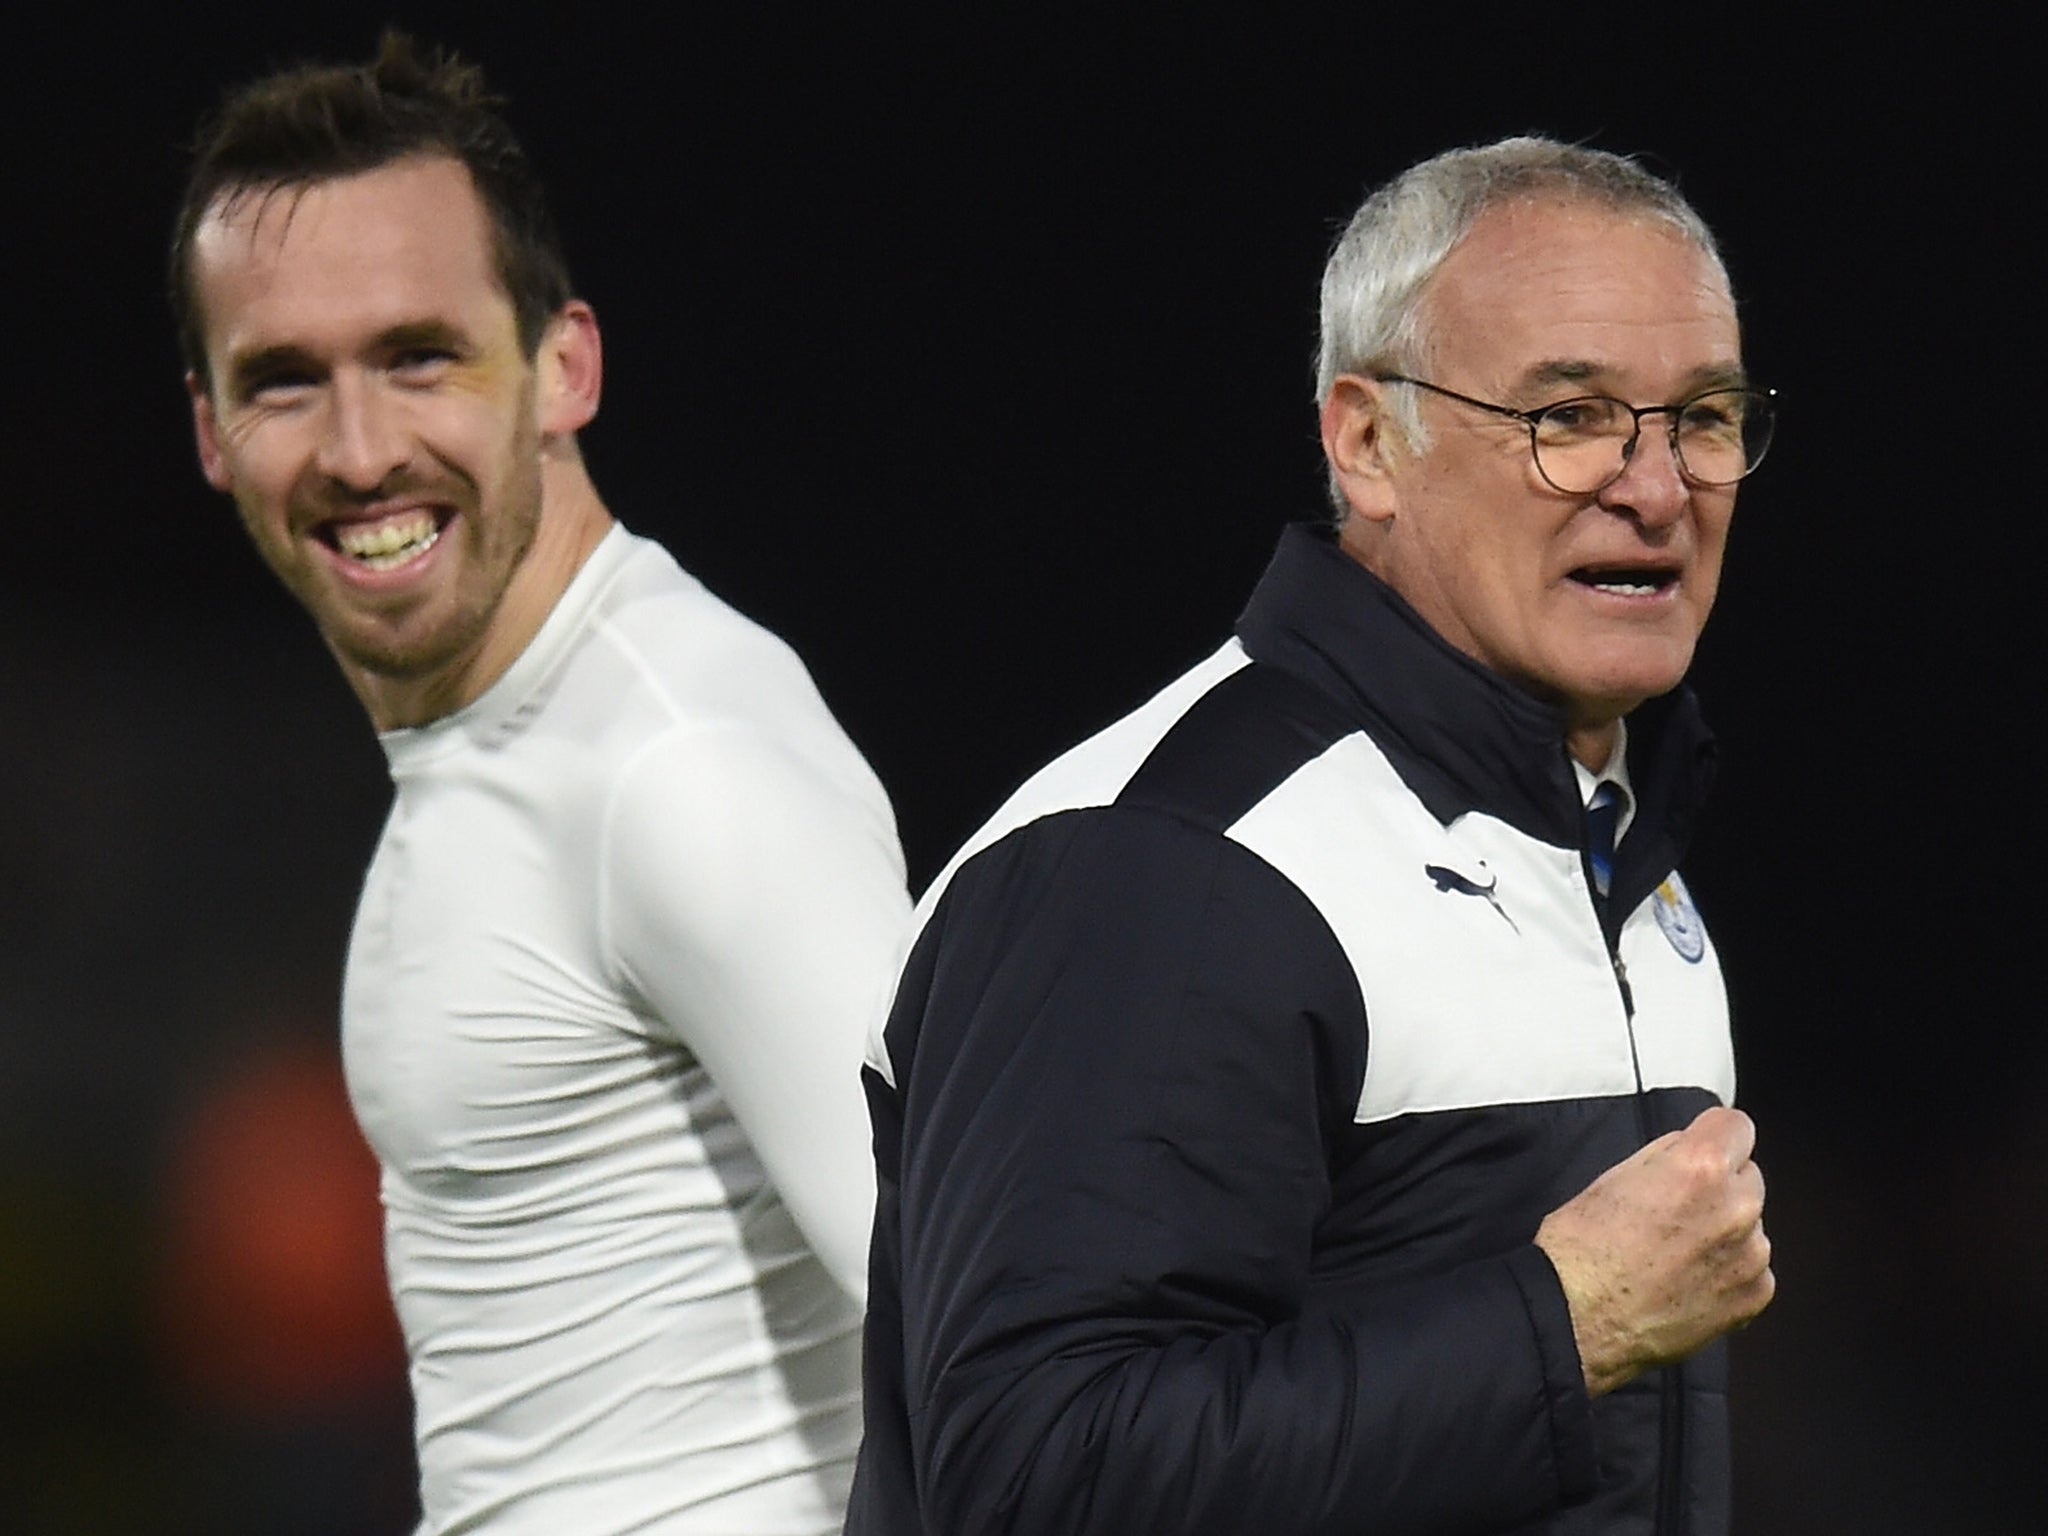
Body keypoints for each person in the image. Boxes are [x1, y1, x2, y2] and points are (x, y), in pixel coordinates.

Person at [850, 137, 1778, 1535]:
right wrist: (1563, 1323)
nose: (1655, 489)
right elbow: (1039, 1478)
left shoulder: (1615, 847)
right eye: (1570, 416)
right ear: (1367, 442)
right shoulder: (1159, 866)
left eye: (1701, 417)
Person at [171, 33, 910, 1535]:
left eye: (419, 355)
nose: (362, 448)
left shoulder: (676, 767)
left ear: (565, 366)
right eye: (286, 382)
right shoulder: (505, 740)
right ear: (211, 433)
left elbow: (1013, 1352)